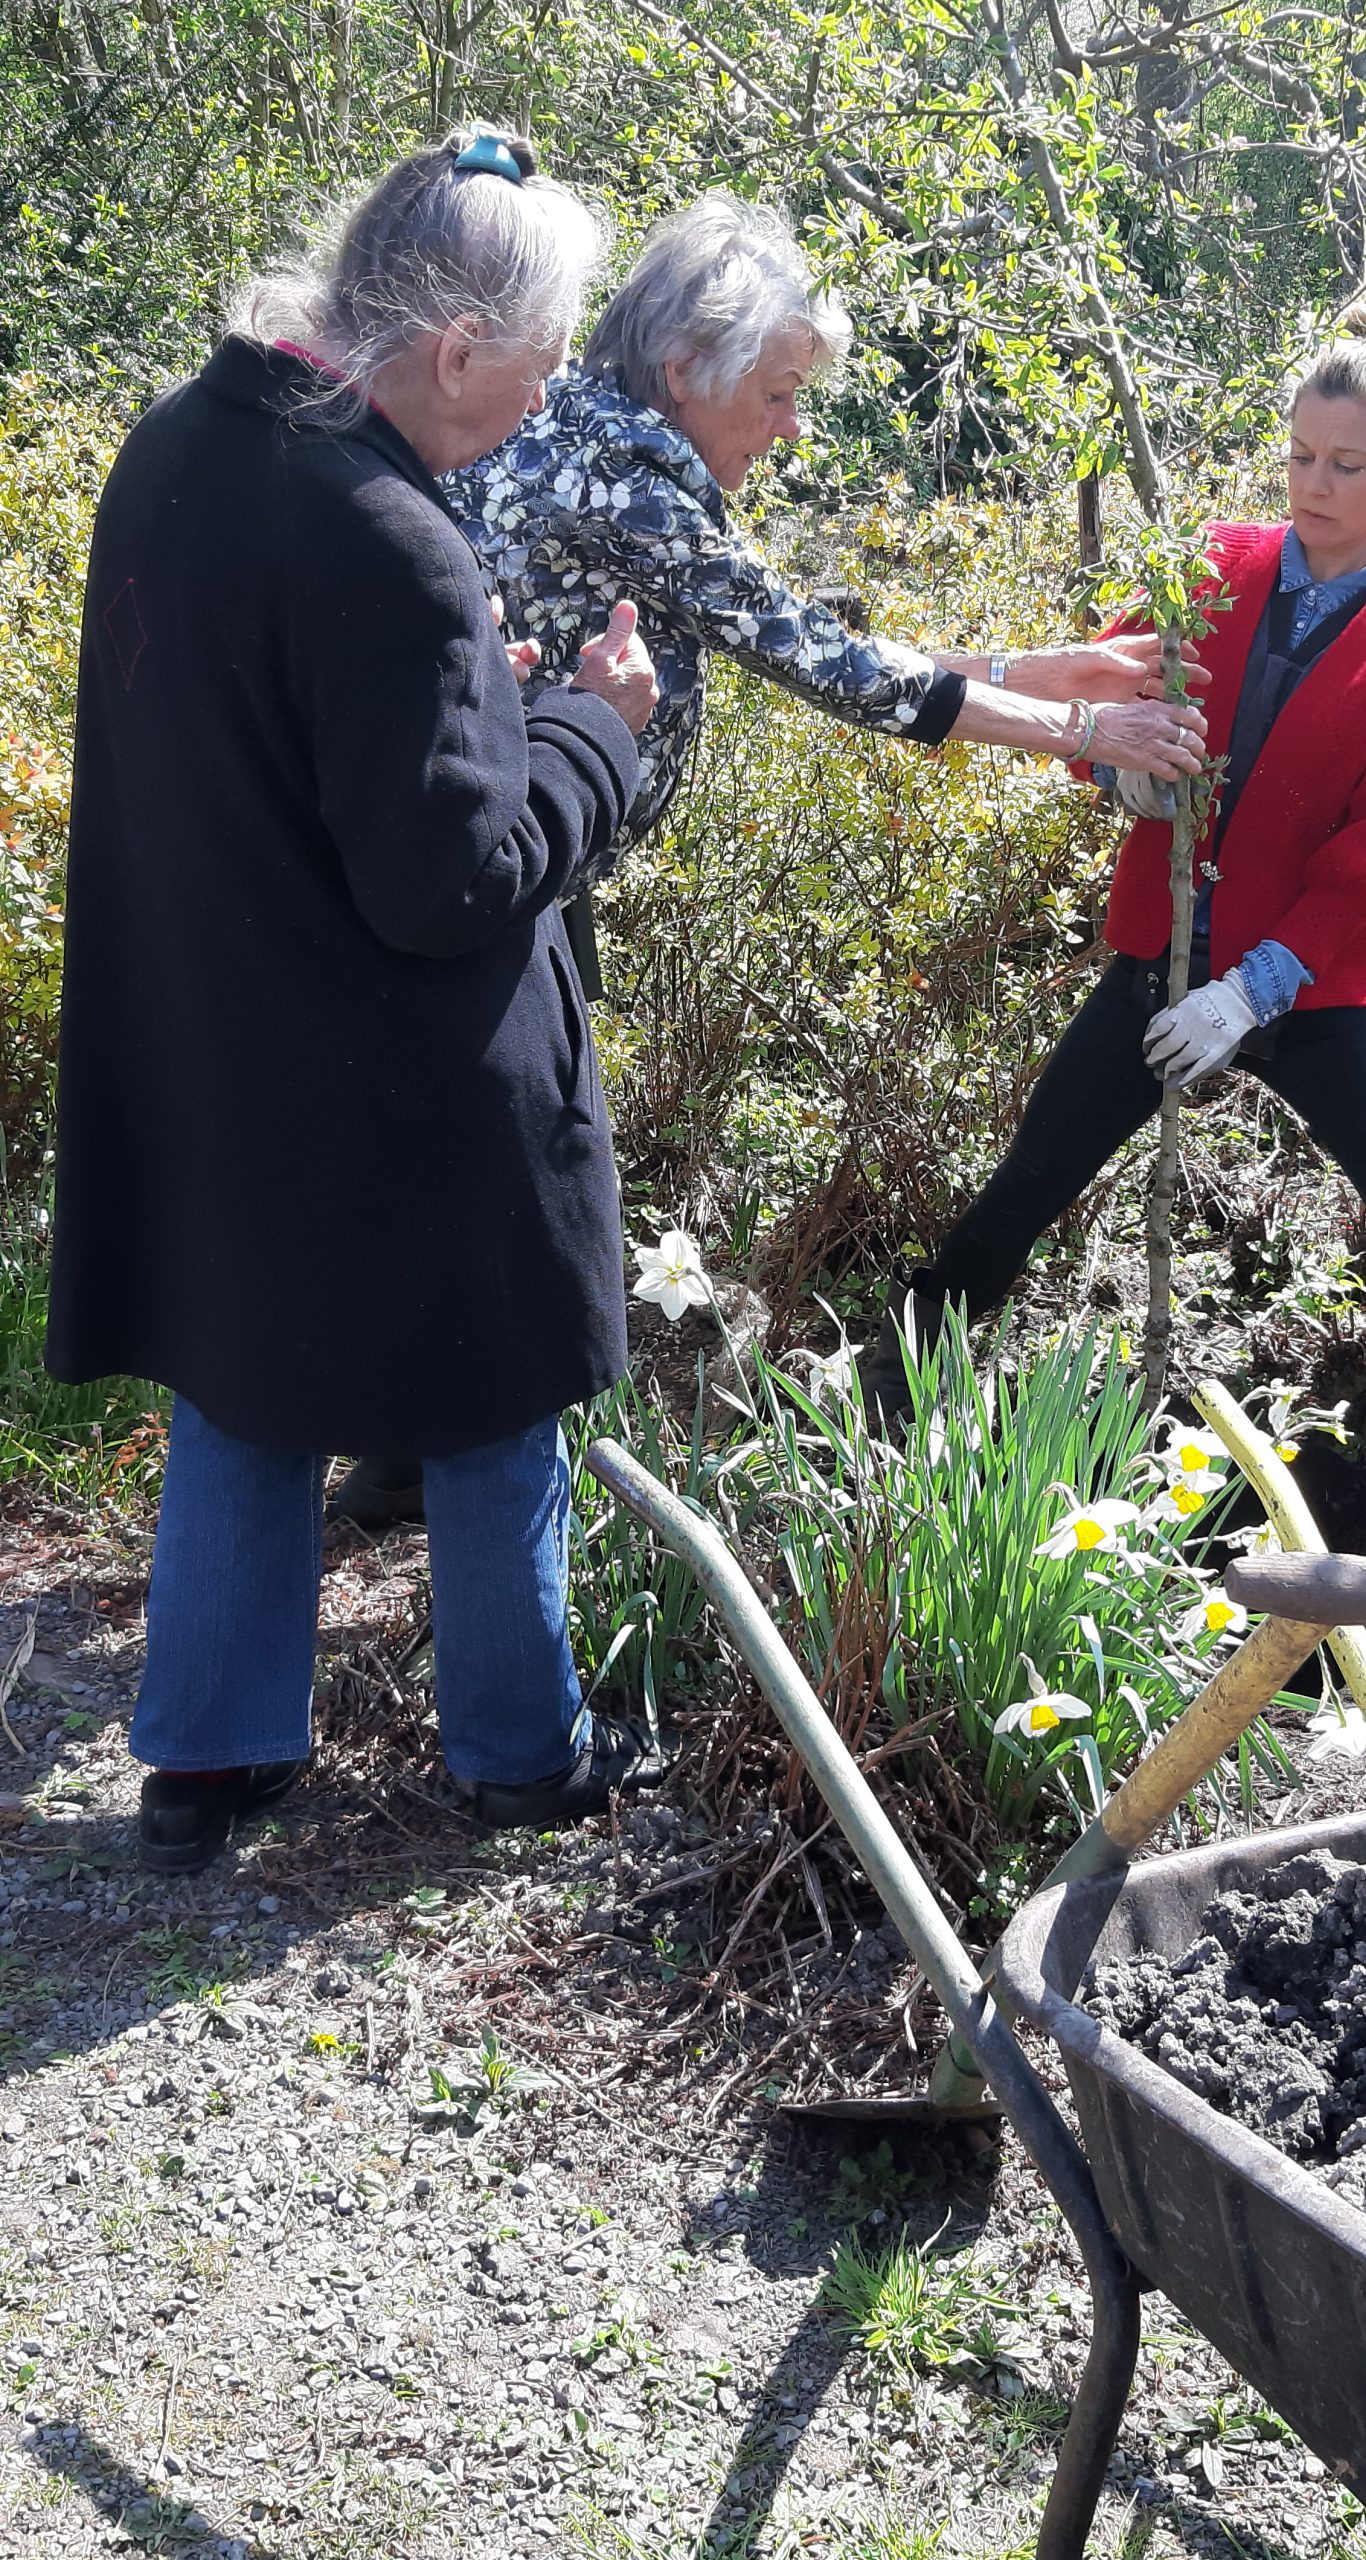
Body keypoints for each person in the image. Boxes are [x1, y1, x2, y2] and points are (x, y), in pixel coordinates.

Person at [333, 189, 1211, 1530]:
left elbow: (791, 634)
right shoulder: (623, 476)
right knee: (521, 1158)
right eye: (781, 394)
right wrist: (1086, 729)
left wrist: (1040, 671)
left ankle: (408, 1452)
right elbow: (825, 665)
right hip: (503, 863)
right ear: (687, 366)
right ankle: (461, 1466)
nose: (793, 428)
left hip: (516, 853)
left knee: (485, 1150)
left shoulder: (609, 444)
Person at [47, 127, 668, 1875]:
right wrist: (589, 730)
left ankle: (208, 1757)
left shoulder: (181, 446)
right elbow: (451, 881)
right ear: (456, 349)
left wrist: (469, 707)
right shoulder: (386, 531)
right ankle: (523, 1757)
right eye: (538, 369)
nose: (540, 407)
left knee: (243, 1378)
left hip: (219, 1032)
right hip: (402, 1074)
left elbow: (267, 739)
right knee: (490, 1393)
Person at [863, 300, 1366, 1495]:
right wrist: (1118, 776)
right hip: (1163, 964)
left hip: (1317, 987)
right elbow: (1098, 701)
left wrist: (1251, 993)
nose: (1313, 485)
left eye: (1347, 466)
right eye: (1301, 456)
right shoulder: (1214, 565)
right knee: (1031, 1179)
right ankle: (883, 1391)